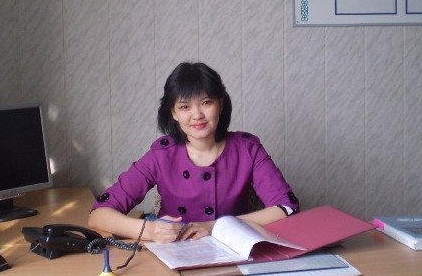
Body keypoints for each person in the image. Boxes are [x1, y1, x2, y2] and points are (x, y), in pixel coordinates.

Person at [88, 62, 299, 243]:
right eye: (185, 107)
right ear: (173, 113)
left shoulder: (248, 149)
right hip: (173, 255)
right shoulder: (161, 155)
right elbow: (99, 215)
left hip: (233, 251)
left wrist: (215, 226)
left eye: (206, 103)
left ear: (220, 105)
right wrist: (150, 230)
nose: (197, 115)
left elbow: (286, 208)